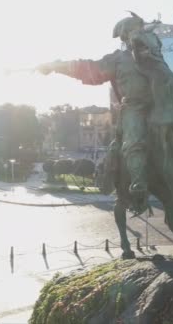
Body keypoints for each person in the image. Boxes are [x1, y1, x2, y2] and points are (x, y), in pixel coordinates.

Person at [37, 13, 151, 214]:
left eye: (142, 30)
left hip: (163, 104)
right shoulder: (118, 60)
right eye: (135, 31)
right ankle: (138, 184)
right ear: (126, 36)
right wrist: (57, 66)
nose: (140, 34)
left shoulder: (153, 55)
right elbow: (89, 69)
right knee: (133, 140)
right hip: (135, 108)